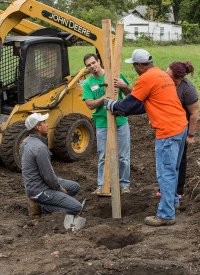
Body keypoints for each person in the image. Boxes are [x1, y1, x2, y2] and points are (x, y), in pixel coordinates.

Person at [104, 49, 188, 226]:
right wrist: (121, 108)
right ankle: (172, 202)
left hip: (168, 131)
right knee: (173, 169)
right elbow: (144, 105)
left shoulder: (146, 78)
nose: (134, 69)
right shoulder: (161, 75)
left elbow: (132, 103)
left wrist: (114, 105)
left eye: (134, 65)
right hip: (181, 125)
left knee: (166, 173)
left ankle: (166, 214)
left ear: (140, 65)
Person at [82, 53, 132, 194]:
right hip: (102, 124)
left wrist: (124, 85)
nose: (92, 66)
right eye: (88, 65)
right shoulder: (87, 83)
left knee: (123, 156)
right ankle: (103, 185)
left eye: (93, 62)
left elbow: (132, 94)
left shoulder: (115, 75)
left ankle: (124, 184)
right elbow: (90, 105)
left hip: (120, 121)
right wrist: (106, 97)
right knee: (103, 156)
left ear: (99, 61)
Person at [20, 113, 82, 219]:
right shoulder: (40, 148)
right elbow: (48, 176)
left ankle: (54, 202)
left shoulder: (25, 142)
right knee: (77, 208)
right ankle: (39, 207)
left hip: (34, 185)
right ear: (38, 127)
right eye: (44, 123)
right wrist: (59, 189)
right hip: (39, 190)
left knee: (75, 187)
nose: (47, 125)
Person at [165, 61, 199, 197]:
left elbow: (194, 113)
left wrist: (190, 135)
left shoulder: (187, 89)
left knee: (179, 159)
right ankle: (165, 188)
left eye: (169, 76)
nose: (166, 77)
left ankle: (178, 190)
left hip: (181, 127)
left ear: (179, 78)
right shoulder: (165, 80)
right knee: (166, 158)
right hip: (166, 126)